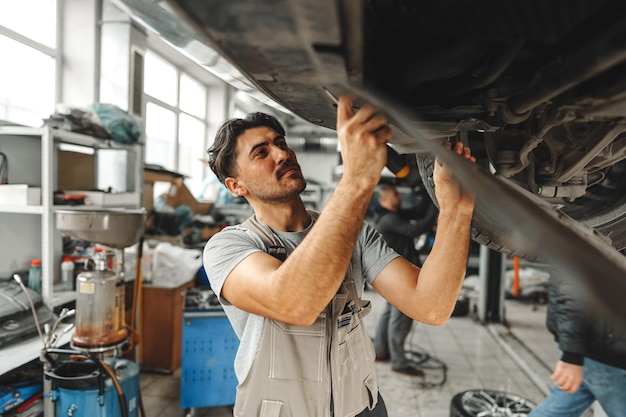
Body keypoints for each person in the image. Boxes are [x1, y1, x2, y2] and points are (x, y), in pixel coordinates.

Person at [203, 95, 476, 417]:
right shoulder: (229, 247)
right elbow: (294, 303)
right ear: (236, 186)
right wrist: (358, 177)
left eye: (280, 143)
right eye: (261, 152)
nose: (281, 154)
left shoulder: (354, 234)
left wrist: (456, 210)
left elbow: (431, 306)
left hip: (361, 407)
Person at [528, 267, 626, 417]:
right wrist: (571, 356)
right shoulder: (604, 245)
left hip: (595, 351)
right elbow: (575, 294)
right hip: (607, 354)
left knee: (557, 409)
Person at [372, 184, 437, 375]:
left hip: (393, 275)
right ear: (384, 198)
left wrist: (428, 193)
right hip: (400, 277)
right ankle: (399, 362)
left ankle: (381, 351)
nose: (398, 196)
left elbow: (417, 212)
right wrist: (442, 203)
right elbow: (416, 229)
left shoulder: (393, 214)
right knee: (402, 316)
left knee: (390, 313)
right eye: (394, 194)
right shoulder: (389, 220)